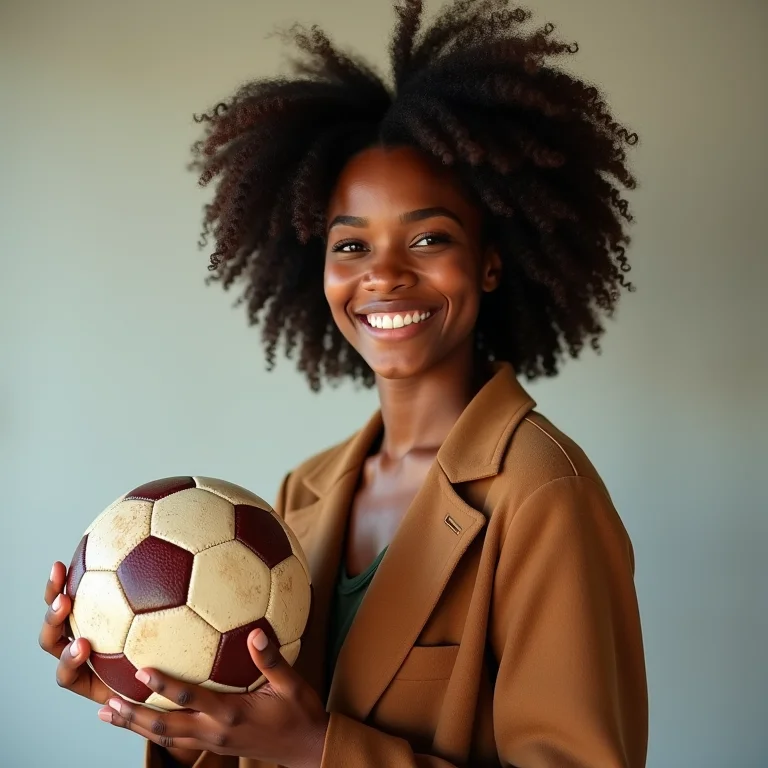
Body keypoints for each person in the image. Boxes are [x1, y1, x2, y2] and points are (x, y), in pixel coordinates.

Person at [40, 1, 648, 766]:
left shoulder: (543, 495)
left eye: (429, 237)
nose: (384, 274)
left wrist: (320, 746)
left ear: (491, 262)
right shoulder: (302, 493)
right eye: (352, 245)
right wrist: (152, 696)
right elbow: (257, 735)